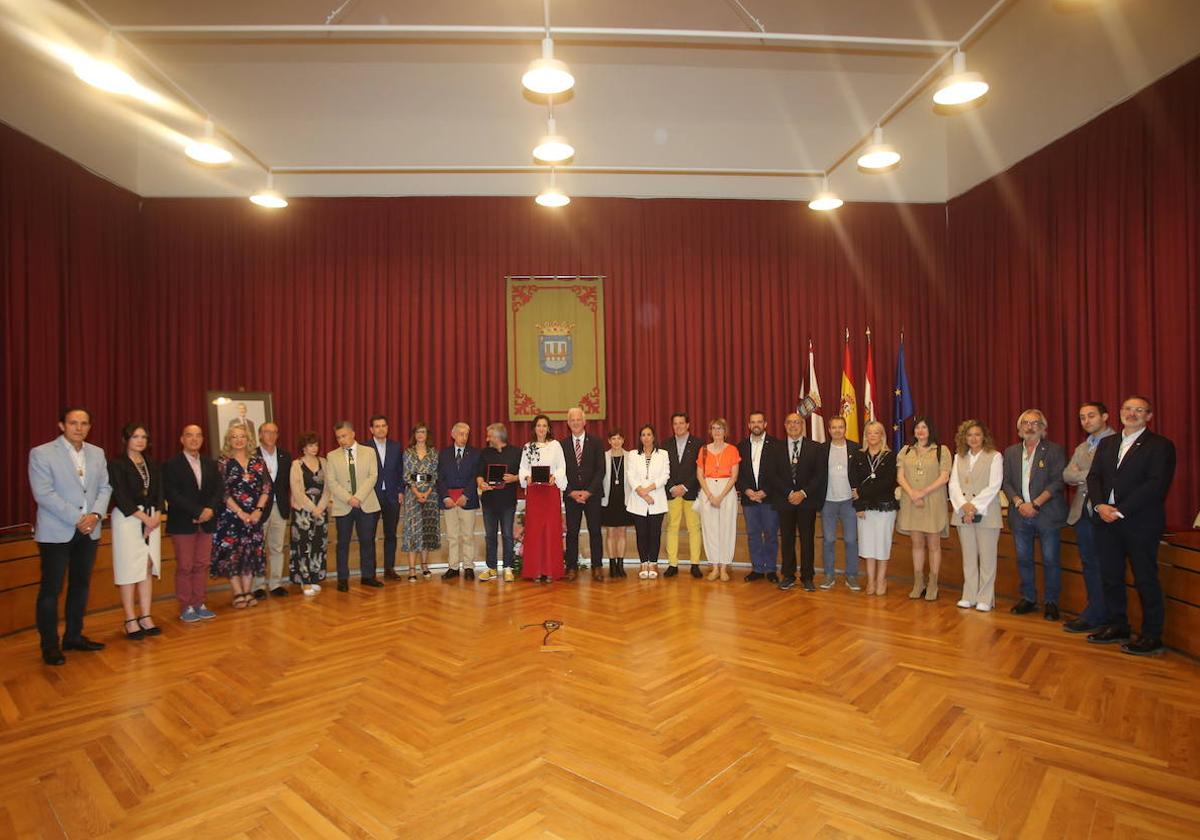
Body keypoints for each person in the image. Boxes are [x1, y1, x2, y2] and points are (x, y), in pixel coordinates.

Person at [1086, 396, 1176, 656]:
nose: (1132, 413)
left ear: (1149, 416)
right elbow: (1094, 477)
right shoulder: (1107, 443)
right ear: (1120, 412)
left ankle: (1151, 635)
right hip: (1105, 520)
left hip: (1139, 523)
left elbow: (1156, 484)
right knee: (1111, 577)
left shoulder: (1160, 446)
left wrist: (1120, 510)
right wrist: (1100, 505)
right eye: (1128, 409)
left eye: (1139, 410)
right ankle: (1118, 626)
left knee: (1145, 579)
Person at [29, 407, 112, 665]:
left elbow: (105, 487)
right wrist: (79, 519)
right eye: (73, 423)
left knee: (81, 585)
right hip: (57, 531)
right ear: (61, 425)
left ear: (89, 426)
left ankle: (74, 636)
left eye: (84, 423)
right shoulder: (42, 453)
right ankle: (50, 645)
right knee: (51, 590)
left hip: (90, 530)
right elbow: (43, 494)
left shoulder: (97, 453)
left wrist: (96, 515)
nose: (79, 427)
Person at [1001, 409, 1068, 620]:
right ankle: (1028, 598)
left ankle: (1051, 602)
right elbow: (1007, 482)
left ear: (1043, 428)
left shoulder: (1054, 450)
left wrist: (1036, 504)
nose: (1030, 427)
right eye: (1026, 423)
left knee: (1050, 560)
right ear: (1019, 428)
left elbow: (1058, 481)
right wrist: (1020, 503)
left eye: (1035, 423)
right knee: (1023, 559)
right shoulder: (1011, 452)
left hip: (1047, 513)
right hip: (1019, 514)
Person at [1061, 402, 1116, 634]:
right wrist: (1091, 474)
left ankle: (1107, 615)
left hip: (1105, 512)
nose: (1086, 421)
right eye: (1082, 417)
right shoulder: (1083, 446)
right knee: (1090, 564)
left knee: (1106, 566)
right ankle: (1094, 611)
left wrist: (1084, 475)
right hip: (1082, 512)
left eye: (1091, 416)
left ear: (1105, 416)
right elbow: (1066, 474)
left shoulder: (1116, 442)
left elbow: (1109, 474)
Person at [107, 424, 165, 640]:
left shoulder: (152, 463)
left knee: (147, 565)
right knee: (128, 568)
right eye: (135, 437)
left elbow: (160, 490)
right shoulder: (117, 464)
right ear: (126, 440)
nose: (140, 441)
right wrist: (145, 519)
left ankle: (146, 616)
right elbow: (120, 496)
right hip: (129, 520)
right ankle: (131, 619)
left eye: (144, 437)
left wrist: (157, 514)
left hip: (153, 519)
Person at [164, 424, 222, 623]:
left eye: (198, 435)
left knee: (202, 564)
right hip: (183, 522)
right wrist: (197, 511)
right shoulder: (172, 464)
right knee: (185, 566)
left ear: (202, 439)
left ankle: (199, 603)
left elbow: (218, 491)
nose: (194, 439)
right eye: (189, 435)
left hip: (206, 522)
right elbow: (172, 494)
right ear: (182, 439)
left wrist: (209, 510)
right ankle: (186, 605)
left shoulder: (210, 463)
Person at [210, 425, 271, 609]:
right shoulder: (223, 462)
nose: (238, 440)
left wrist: (258, 511)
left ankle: (248, 591)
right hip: (230, 517)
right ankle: (238, 592)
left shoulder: (258, 461)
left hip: (253, 517)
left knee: (249, 554)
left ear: (248, 439)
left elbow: (266, 488)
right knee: (232, 555)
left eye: (242, 436)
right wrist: (240, 512)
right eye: (234, 437)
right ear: (229, 440)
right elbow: (222, 491)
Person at [947, 420, 1003, 611]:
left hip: (987, 514)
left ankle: (985, 598)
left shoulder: (995, 457)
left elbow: (994, 486)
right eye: (969, 435)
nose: (973, 438)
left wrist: (974, 507)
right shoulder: (958, 457)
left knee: (987, 559)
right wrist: (964, 506)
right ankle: (969, 595)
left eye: (977, 434)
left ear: (984, 437)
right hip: (963, 513)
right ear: (964, 437)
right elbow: (953, 485)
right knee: (968, 558)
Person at [896, 416, 952, 601]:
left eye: (924, 427)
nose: (920, 431)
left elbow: (944, 477)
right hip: (911, 502)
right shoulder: (905, 451)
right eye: (917, 427)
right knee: (917, 544)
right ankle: (919, 582)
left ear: (931, 430)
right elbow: (900, 477)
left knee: (934, 545)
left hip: (933, 502)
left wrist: (922, 493)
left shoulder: (941, 451)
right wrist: (913, 494)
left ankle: (933, 583)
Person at [770, 413, 826, 592]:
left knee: (807, 540)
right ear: (785, 426)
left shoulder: (815, 448)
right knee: (786, 540)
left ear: (803, 425)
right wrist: (789, 493)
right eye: (790, 423)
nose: (793, 426)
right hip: (784, 501)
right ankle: (788, 575)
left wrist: (802, 493)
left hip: (806, 501)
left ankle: (807, 577)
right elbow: (772, 475)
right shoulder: (775, 447)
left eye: (797, 422)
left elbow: (819, 476)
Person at [326, 421, 382, 591]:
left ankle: (368, 576)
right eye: (338, 438)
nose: (341, 440)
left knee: (367, 541)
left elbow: (373, 476)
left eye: (344, 436)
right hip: (344, 505)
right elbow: (332, 482)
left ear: (353, 434)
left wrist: (358, 497)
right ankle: (342, 578)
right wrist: (349, 498)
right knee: (342, 543)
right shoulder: (332, 456)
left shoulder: (369, 452)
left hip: (366, 503)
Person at [848, 420, 898, 596]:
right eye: (869, 433)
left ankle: (881, 579)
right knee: (868, 545)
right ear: (865, 436)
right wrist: (859, 503)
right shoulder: (858, 455)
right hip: (864, 508)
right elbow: (853, 481)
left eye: (876, 433)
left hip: (885, 507)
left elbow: (888, 482)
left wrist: (861, 491)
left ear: (882, 436)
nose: (872, 436)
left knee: (882, 544)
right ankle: (870, 580)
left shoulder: (890, 456)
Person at [519, 414, 568, 582]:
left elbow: (562, 467)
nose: (541, 428)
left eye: (544, 425)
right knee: (534, 530)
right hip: (534, 493)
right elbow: (523, 468)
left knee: (551, 529)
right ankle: (535, 571)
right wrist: (527, 477)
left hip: (550, 492)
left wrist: (556, 476)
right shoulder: (528, 447)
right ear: (534, 428)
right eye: (538, 425)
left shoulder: (556, 446)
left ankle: (551, 570)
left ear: (548, 428)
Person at [561, 407, 607, 582]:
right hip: (572, 496)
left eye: (578, 419)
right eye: (572, 420)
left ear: (584, 421)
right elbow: (560, 471)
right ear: (568, 423)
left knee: (595, 531)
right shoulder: (562, 444)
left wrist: (588, 492)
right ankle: (571, 567)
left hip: (592, 495)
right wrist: (571, 492)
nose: (575, 423)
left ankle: (597, 567)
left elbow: (600, 470)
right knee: (572, 533)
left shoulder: (596, 442)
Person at [736, 411, 781, 583]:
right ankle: (756, 568)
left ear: (765, 424)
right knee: (753, 534)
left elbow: (779, 473)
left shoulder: (776, 445)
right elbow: (737, 474)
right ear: (748, 425)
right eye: (753, 422)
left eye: (759, 422)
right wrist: (747, 490)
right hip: (749, 499)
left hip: (768, 498)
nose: (756, 425)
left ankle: (770, 569)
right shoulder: (741, 446)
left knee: (770, 534)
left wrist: (765, 491)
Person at [475, 423, 522, 582]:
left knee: (508, 535)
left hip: (508, 502)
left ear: (498, 436)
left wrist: (514, 478)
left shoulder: (516, 452)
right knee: (490, 536)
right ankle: (491, 568)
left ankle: (508, 567)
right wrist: (481, 483)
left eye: (490, 435)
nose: (487, 438)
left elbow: (523, 474)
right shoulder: (485, 453)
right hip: (489, 502)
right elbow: (479, 474)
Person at [696, 418, 741, 581]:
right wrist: (709, 495)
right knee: (710, 529)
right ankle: (714, 566)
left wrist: (720, 496)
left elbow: (734, 476)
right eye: (714, 428)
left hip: (726, 490)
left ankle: (724, 567)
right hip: (708, 489)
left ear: (725, 431)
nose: (717, 432)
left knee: (727, 528)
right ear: (710, 431)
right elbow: (699, 475)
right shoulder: (704, 450)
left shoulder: (733, 450)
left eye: (720, 429)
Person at [820, 416, 862, 590]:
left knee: (851, 540)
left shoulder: (855, 448)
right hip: (828, 501)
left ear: (845, 429)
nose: (837, 430)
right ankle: (829, 574)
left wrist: (858, 490)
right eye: (834, 427)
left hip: (848, 502)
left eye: (841, 427)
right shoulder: (822, 449)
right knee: (829, 540)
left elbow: (861, 472)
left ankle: (851, 575)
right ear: (829, 430)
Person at [252, 422, 292, 599]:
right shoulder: (252, 455)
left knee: (276, 548)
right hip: (259, 509)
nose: (271, 435)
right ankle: (257, 586)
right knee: (258, 548)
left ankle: (275, 583)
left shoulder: (285, 455)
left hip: (280, 507)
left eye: (274, 432)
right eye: (267, 432)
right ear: (260, 435)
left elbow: (286, 484)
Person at [663, 413, 706, 578]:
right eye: (675, 423)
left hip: (691, 492)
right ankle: (672, 564)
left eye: (681, 423)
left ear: (688, 425)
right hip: (672, 493)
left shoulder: (699, 443)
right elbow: (663, 469)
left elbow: (700, 468)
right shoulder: (665, 444)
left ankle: (695, 564)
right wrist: (673, 486)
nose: (678, 426)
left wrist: (686, 486)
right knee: (672, 528)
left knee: (694, 529)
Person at [438, 422, 481, 580]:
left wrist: (467, 495)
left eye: (466, 434)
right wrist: (445, 496)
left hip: (466, 500)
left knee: (468, 535)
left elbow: (475, 476)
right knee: (452, 536)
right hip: (449, 501)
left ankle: (469, 567)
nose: (464, 437)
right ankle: (453, 567)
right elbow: (440, 478)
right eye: (461, 434)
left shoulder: (475, 453)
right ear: (453, 434)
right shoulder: (444, 454)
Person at [289, 432, 331, 596]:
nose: (314, 448)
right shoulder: (296, 465)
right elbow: (297, 491)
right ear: (303, 448)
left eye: (316, 445)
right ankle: (304, 581)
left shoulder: (324, 462)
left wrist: (321, 507)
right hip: (303, 511)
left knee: (318, 544)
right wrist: (311, 507)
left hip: (321, 510)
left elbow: (328, 487)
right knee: (303, 545)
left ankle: (314, 578)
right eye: (311, 445)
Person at [626, 424, 669, 579]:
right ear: (640, 438)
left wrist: (649, 489)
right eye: (643, 434)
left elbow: (665, 476)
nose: (646, 437)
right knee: (642, 533)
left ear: (654, 437)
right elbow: (631, 476)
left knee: (654, 534)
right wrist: (643, 494)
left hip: (657, 500)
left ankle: (653, 563)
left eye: (649, 434)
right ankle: (643, 563)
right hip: (638, 500)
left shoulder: (663, 454)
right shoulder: (633, 454)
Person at [367, 414, 404, 580]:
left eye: (383, 425)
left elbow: (400, 471)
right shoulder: (364, 447)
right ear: (371, 430)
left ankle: (389, 569)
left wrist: (401, 491)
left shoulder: (396, 447)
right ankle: (370, 571)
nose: (381, 429)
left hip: (391, 496)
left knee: (391, 535)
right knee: (369, 535)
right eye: (377, 426)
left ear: (387, 428)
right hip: (371, 496)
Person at [402, 422, 441, 581]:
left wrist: (427, 492)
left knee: (426, 531)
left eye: (423, 432)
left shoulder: (433, 453)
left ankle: (424, 565)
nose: (420, 435)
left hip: (430, 496)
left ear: (427, 435)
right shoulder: (408, 452)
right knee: (413, 531)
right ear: (414, 434)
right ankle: (411, 569)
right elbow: (407, 475)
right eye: (417, 432)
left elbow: (435, 475)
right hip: (413, 496)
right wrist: (417, 492)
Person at [601, 429, 634, 578]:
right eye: (613, 439)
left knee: (622, 532)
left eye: (619, 438)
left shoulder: (630, 457)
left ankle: (621, 565)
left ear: (623, 440)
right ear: (609, 441)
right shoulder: (604, 456)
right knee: (610, 532)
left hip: (624, 500)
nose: (616, 441)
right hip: (608, 499)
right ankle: (612, 565)